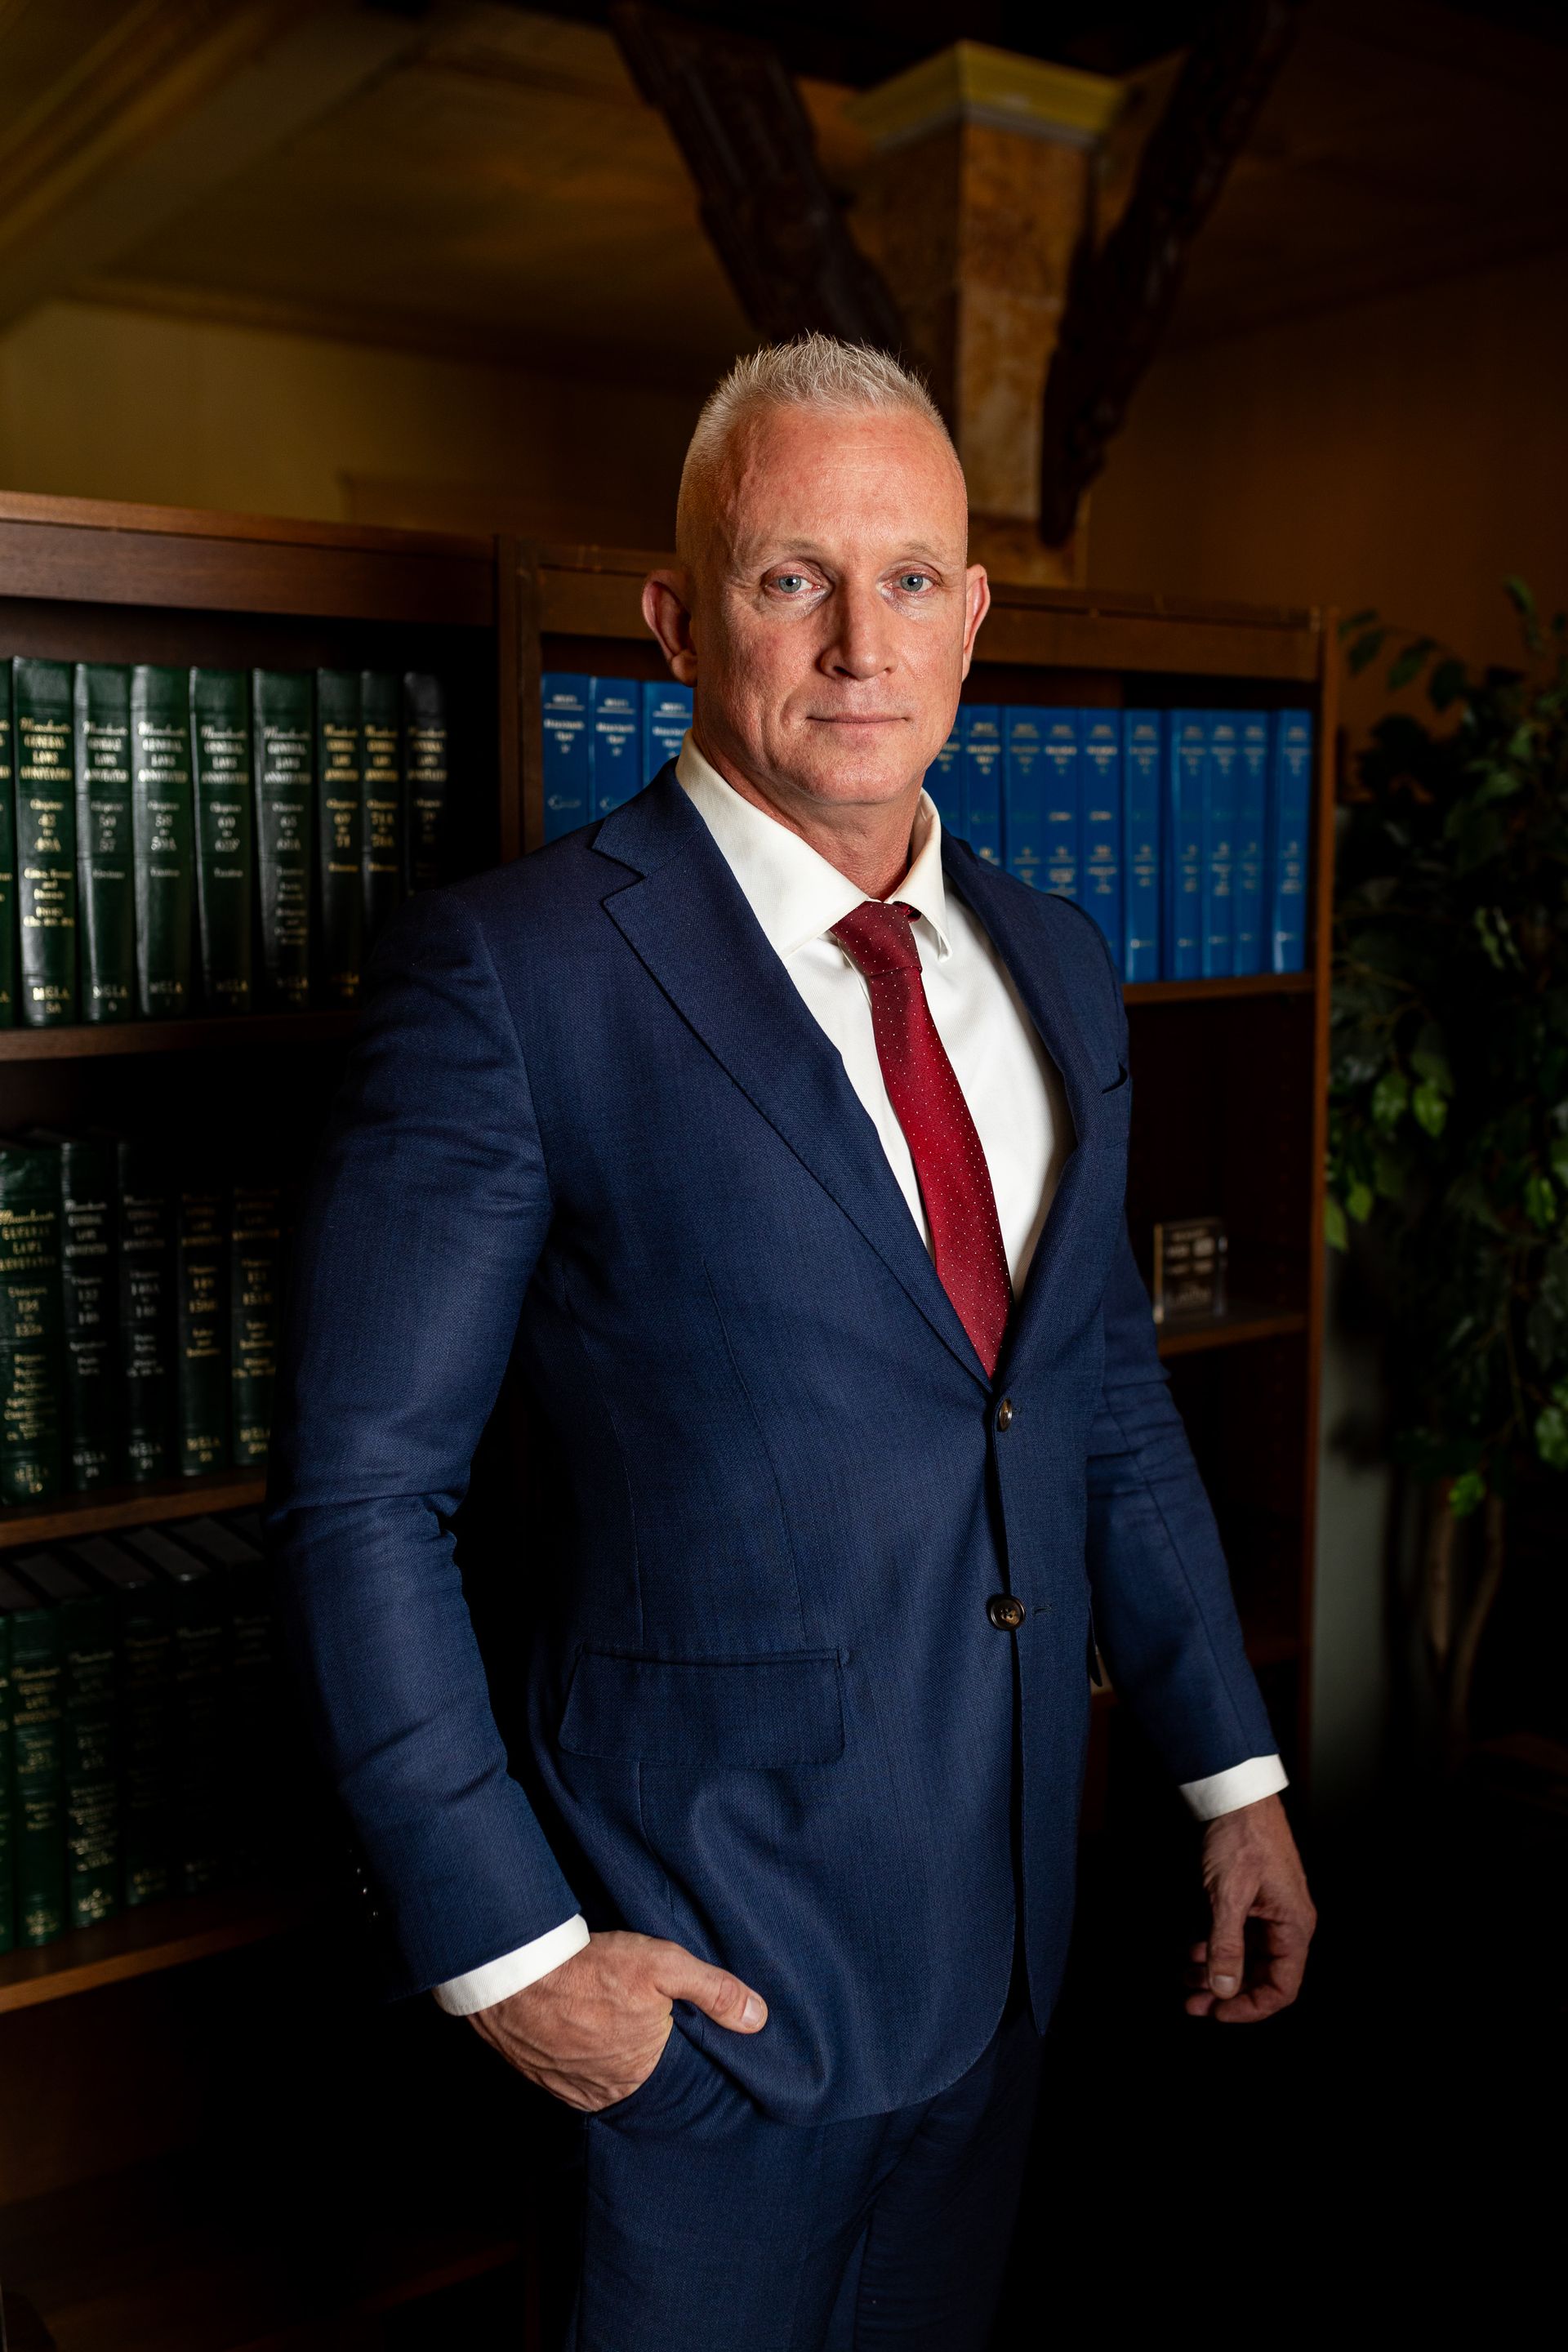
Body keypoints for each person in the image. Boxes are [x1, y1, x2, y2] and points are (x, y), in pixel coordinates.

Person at [270, 334, 1316, 2351]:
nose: (860, 642)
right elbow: (361, 1497)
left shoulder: (1062, 962)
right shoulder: (512, 974)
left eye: (911, 577)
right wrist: (514, 1964)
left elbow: (1092, 1390)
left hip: (1009, 1949)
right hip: (693, 2000)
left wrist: (1230, 1780)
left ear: (976, 614)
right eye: (788, 579)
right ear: (675, 618)